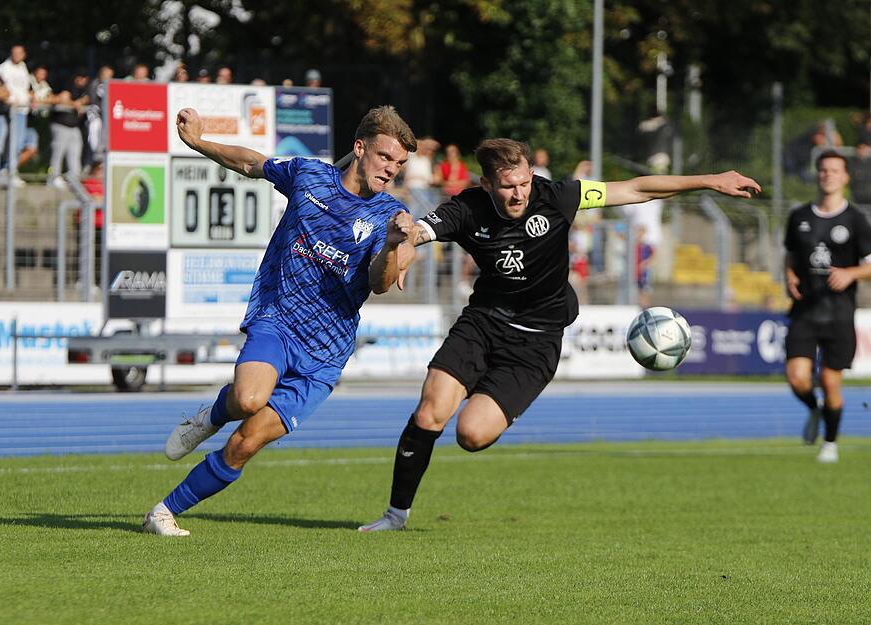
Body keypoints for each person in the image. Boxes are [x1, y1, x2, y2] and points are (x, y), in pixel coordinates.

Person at [358, 138, 760, 531]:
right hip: (483, 322)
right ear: (487, 185)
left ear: (532, 175)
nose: (518, 194)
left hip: (537, 340)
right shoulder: (467, 208)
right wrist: (401, 247)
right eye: (507, 186)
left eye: (523, 183)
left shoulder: (559, 196)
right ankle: (396, 514)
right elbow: (419, 234)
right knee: (430, 411)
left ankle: (485, 395)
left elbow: (637, 187)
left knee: (472, 434)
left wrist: (709, 180)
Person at [142, 105, 418, 536]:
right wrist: (198, 142)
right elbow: (252, 163)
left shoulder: (388, 216)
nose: (391, 169)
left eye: (400, 163)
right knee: (249, 399)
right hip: (279, 318)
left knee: (245, 443)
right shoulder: (309, 176)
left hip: (326, 354)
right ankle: (211, 415)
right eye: (385, 157)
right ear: (360, 148)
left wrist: (393, 246)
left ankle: (162, 512)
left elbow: (379, 284)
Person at [784, 150, 871, 463]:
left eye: (835, 170)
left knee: (830, 381)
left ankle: (830, 443)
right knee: (797, 378)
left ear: (845, 177)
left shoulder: (856, 220)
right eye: (823, 170)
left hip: (838, 313)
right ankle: (813, 410)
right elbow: (791, 255)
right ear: (817, 174)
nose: (828, 175)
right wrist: (789, 275)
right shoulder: (800, 216)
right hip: (805, 311)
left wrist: (851, 273)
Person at [47, 70, 90, 187]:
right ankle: (53, 178)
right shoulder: (67, 86)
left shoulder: (83, 90)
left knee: (75, 152)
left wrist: (80, 103)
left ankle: (74, 179)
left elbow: (85, 101)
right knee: (58, 153)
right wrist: (75, 104)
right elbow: (62, 98)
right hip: (61, 125)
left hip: (74, 126)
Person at [0, 44, 31, 169]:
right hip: (9, 111)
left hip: (22, 110)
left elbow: (24, 88)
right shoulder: (3, 68)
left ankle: (10, 170)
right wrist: (10, 100)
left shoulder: (23, 67)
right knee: (8, 143)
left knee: (19, 144)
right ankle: (5, 170)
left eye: (19, 53)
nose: (17, 55)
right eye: (14, 52)